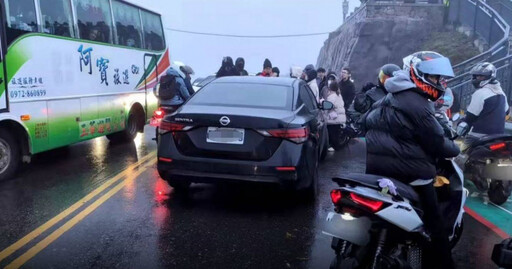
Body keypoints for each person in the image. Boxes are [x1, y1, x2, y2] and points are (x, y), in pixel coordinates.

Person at [363, 51, 460, 269]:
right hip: (411, 173)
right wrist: (456, 149)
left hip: (378, 172)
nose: (439, 83)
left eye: (440, 78)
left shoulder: (391, 94)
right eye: (435, 78)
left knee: (376, 222)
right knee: (436, 225)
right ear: (418, 75)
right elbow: (436, 141)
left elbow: (365, 121)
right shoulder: (418, 103)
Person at [457, 62, 510, 143]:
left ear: (490, 76)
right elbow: (507, 111)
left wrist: (461, 122)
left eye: (481, 76)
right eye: (477, 76)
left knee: (462, 152)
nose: (477, 78)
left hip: (479, 135)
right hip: (499, 136)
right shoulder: (501, 93)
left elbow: (470, 116)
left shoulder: (480, 93)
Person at [324, 82, 346, 151]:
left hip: (333, 119)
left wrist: (322, 102)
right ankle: (336, 146)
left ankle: (334, 147)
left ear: (330, 88)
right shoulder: (339, 95)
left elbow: (328, 106)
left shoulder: (332, 96)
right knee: (336, 133)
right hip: (339, 118)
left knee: (332, 134)